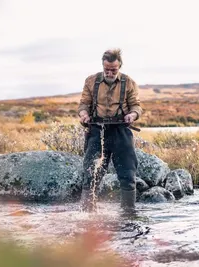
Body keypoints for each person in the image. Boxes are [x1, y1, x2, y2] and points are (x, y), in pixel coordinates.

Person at [77, 48, 143, 213]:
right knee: (90, 173)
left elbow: (136, 105)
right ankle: (87, 214)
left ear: (119, 66)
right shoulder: (91, 81)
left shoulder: (129, 82)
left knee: (128, 174)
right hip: (96, 131)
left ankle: (128, 214)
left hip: (121, 131)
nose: (110, 72)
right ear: (103, 65)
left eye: (113, 69)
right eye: (107, 69)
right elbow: (83, 103)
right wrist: (83, 113)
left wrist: (133, 115)